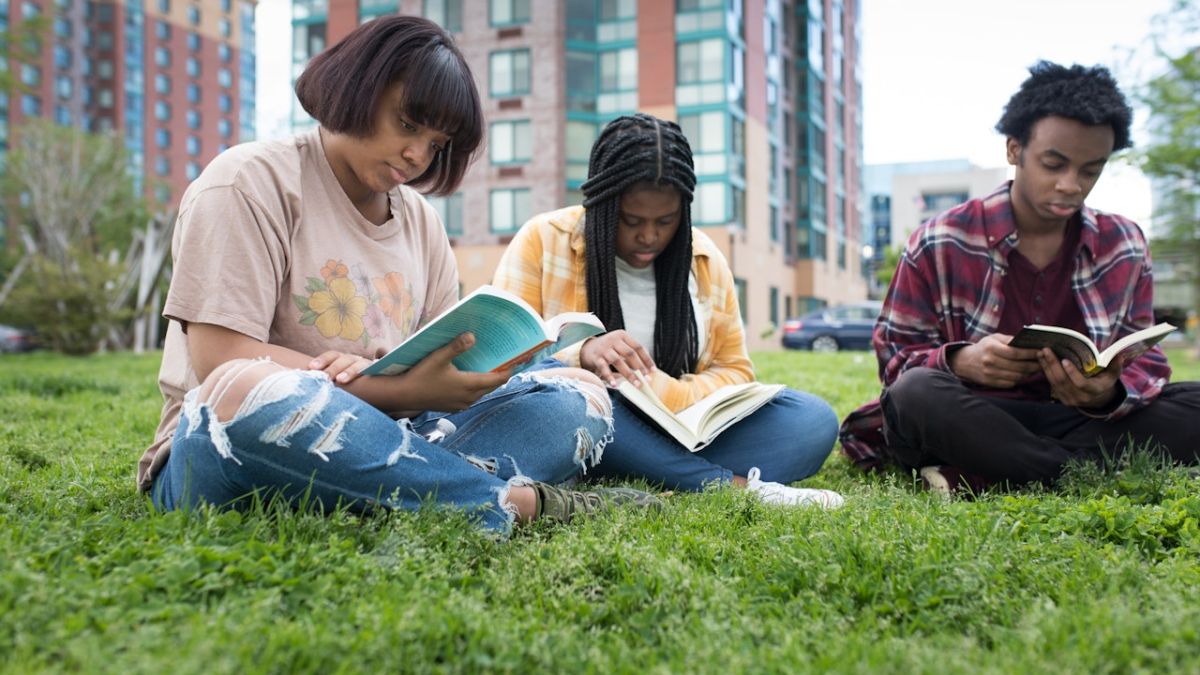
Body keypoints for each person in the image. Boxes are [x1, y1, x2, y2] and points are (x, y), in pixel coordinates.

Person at [137, 16, 659, 536]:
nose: (416, 155)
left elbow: (437, 360)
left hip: (391, 436)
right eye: (407, 125)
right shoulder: (247, 183)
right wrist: (386, 390)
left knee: (577, 393)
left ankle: (401, 491)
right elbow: (219, 358)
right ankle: (507, 502)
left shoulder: (421, 222)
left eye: (436, 143)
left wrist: (473, 376)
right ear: (357, 89)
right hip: (227, 450)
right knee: (243, 388)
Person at [839, 61, 1200, 493]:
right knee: (915, 393)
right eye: (1054, 164)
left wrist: (1106, 392)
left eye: (1090, 170)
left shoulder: (1124, 241)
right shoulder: (939, 239)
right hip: (971, 412)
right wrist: (961, 361)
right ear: (1014, 151)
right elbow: (895, 360)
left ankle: (990, 475)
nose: (1071, 184)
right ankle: (1080, 472)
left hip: (1081, 419)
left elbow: (1146, 362)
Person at [492, 113, 843, 507]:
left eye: (666, 220)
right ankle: (722, 484)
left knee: (813, 421)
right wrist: (582, 354)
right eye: (631, 220)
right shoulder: (543, 240)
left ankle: (635, 466)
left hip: (680, 426)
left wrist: (665, 391)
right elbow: (504, 360)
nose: (649, 236)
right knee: (574, 399)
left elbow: (736, 371)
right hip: (580, 417)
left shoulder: (704, 259)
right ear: (604, 206)